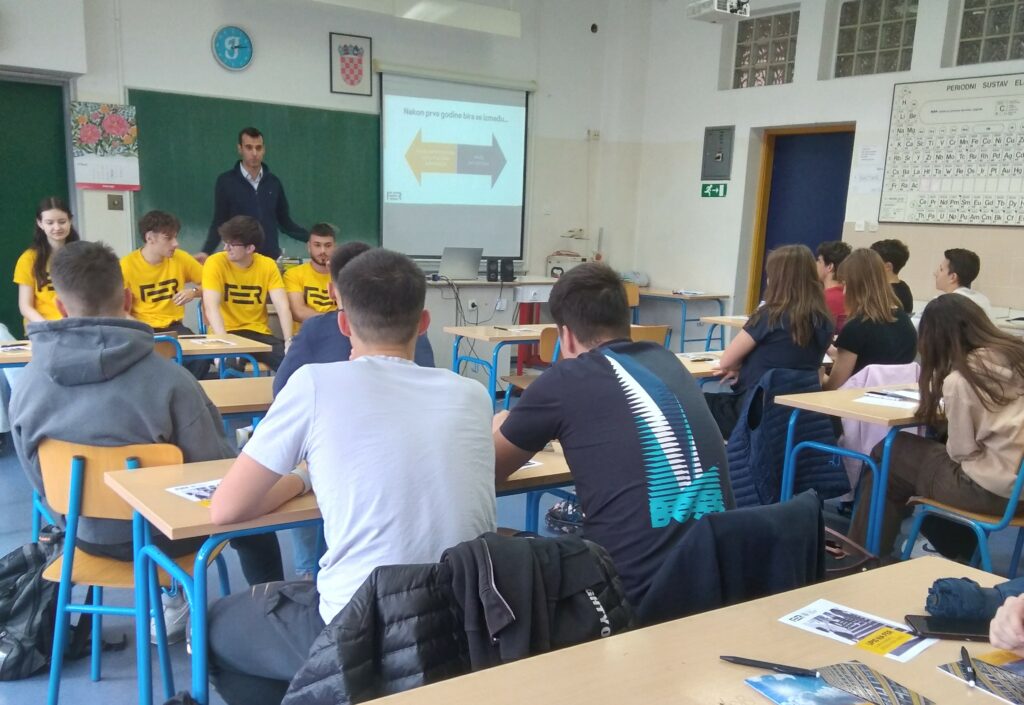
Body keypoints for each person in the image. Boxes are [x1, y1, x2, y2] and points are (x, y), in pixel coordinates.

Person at [206, 248, 496, 705]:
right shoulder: (473, 394)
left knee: (214, 628)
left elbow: (226, 509)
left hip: (359, 624)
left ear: (342, 323)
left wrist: (302, 478)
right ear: (423, 323)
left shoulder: (314, 383)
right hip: (467, 620)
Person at [9, 241, 283, 642]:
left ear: (61, 307)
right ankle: (272, 624)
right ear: (128, 298)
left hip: (85, 538)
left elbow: (39, 479)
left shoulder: (27, 384)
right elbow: (215, 470)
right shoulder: (172, 380)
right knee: (255, 524)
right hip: (167, 540)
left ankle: (175, 603)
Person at [492, 262, 733, 607]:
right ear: (626, 320)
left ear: (566, 336)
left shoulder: (564, 380)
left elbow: (488, 471)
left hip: (627, 598)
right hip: (718, 581)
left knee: (495, 548)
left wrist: (498, 426)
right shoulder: (667, 361)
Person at [275, 240, 435, 580]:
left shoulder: (316, 331)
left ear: (333, 291)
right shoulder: (415, 336)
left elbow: (281, 391)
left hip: (334, 457)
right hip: (409, 454)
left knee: (298, 456)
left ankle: (306, 570)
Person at [848, 294, 1024, 559]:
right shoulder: (1016, 357)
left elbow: (962, 452)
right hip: (1017, 488)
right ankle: (942, 545)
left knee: (891, 451)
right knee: (894, 463)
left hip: (993, 493)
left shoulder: (962, 380)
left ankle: (860, 556)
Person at [704, 245, 834, 438]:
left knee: (687, 403)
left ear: (777, 279)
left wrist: (739, 367)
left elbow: (726, 361)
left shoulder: (770, 316)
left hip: (753, 412)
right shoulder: (824, 320)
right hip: (796, 417)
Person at [273, 241, 435, 396]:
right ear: (422, 324)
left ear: (344, 324)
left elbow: (281, 389)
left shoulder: (315, 334)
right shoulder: (409, 325)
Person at [120, 209, 209, 378]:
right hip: (143, 329)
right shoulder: (126, 266)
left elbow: (213, 285)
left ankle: (185, 392)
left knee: (201, 358)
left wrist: (194, 292)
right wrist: (141, 329)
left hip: (174, 328)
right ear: (150, 238)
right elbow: (118, 310)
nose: (176, 243)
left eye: (176, 237)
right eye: (168, 238)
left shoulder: (180, 258)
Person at [198, 127, 307, 261]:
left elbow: (285, 223)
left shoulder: (274, 183)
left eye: (258, 148)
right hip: (240, 261)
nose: (254, 153)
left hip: (269, 260)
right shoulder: (226, 182)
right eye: (249, 147)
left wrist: (311, 237)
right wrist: (206, 251)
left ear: (264, 150)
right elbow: (219, 222)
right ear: (240, 149)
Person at [202, 215, 293, 371]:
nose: (226, 248)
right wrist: (225, 343)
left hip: (258, 333)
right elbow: (211, 308)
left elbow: (282, 306)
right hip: (226, 332)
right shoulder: (215, 262)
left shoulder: (268, 265)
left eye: (232, 245)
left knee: (290, 362)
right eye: (225, 242)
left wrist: (288, 341)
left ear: (250, 248)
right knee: (230, 365)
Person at [822, 248, 917, 391]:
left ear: (856, 287)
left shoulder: (856, 328)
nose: (844, 291)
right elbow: (875, 356)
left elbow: (833, 387)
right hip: (896, 399)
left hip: (854, 400)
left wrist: (817, 374)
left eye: (846, 284)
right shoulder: (905, 321)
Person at [13, 196, 81, 324]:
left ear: (70, 221)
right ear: (40, 224)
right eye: (50, 223)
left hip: (75, 325)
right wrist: (47, 326)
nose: (57, 227)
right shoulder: (28, 259)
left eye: (62, 222)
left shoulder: (82, 255)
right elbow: (25, 306)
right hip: (42, 327)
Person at [282, 223, 337, 337]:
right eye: (317, 245)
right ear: (308, 247)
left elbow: (351, 312)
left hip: (336, 336)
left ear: (334, 247)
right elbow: (298, 312)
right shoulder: (293, 274)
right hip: (305, 336)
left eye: (328, 245)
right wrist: (332, 321)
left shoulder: (344, 275)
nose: (323, 251)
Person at [935, 247, 993, 318]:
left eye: (941, 269)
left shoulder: (943, 305)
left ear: (953, 277)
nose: (935, 273)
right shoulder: (983, 301)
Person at [870, 238, 914, 313]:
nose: (868, 265)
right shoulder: (904, 287)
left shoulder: (885, 294)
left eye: (872, 262)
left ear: (887, 267)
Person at [816, 240, 851, 332]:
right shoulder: (852, 296)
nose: (816, 264)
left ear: (830, 267)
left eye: (819, 261)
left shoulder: (822, 300)